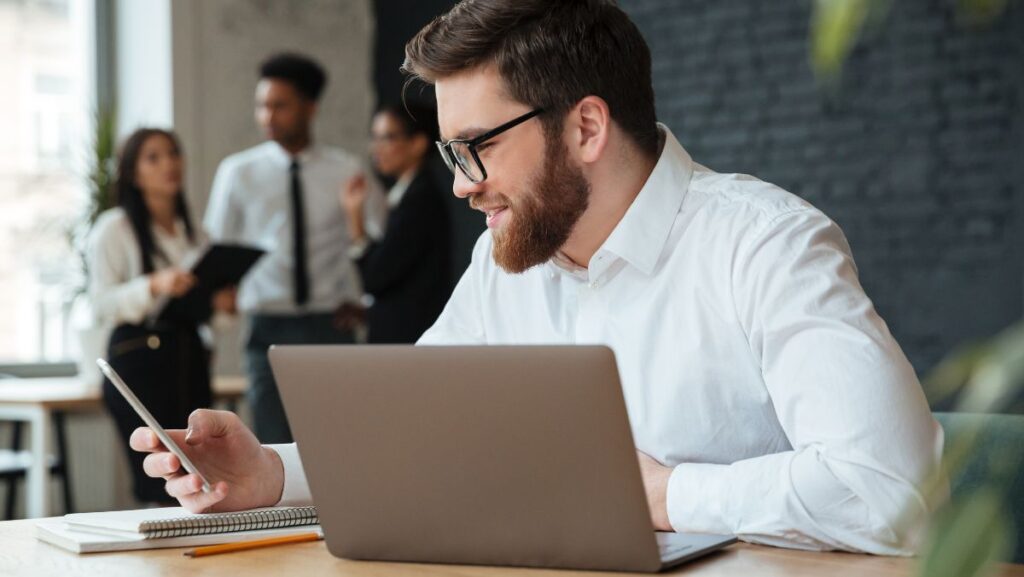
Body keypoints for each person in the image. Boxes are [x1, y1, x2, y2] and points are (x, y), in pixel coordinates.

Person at [130, 0, 943, 555]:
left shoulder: (766, 245)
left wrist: (665, 496)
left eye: (477, 145)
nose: (459, 181)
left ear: (586, 125)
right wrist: (270, 472)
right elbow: (414, 429)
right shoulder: (506, 260)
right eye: (450, 152)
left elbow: (891, 488)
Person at [204, 53, 371, 443]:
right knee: (274, 447)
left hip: (331, 325)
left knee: (341, 443)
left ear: (310, 108)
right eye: (262, 105)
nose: (267, 116)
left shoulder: (345, 170)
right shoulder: (237, 172)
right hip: (267, 326)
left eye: (280, 105)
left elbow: (382, 243)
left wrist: (367, 301)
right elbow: (218, 249)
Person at [88, 128, 236, 503]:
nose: (169, 164)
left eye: (173, 153)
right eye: (153, 157)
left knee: (196, 474)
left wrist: (221, 306)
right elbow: (101, 303)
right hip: (138, 362)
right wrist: (153, 285)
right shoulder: (114, 228)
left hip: (187, 360)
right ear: (133, 172)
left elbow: (203, 315)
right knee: (160, 479)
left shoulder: (195, 234)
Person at [341, 103, 452, 343]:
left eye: (388, 138)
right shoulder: (408, 193)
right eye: (374, 137)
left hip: (407, 340)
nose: (376, 148)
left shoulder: (419, 199)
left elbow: (376, 278)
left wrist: (355, 219)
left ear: (418, 144)